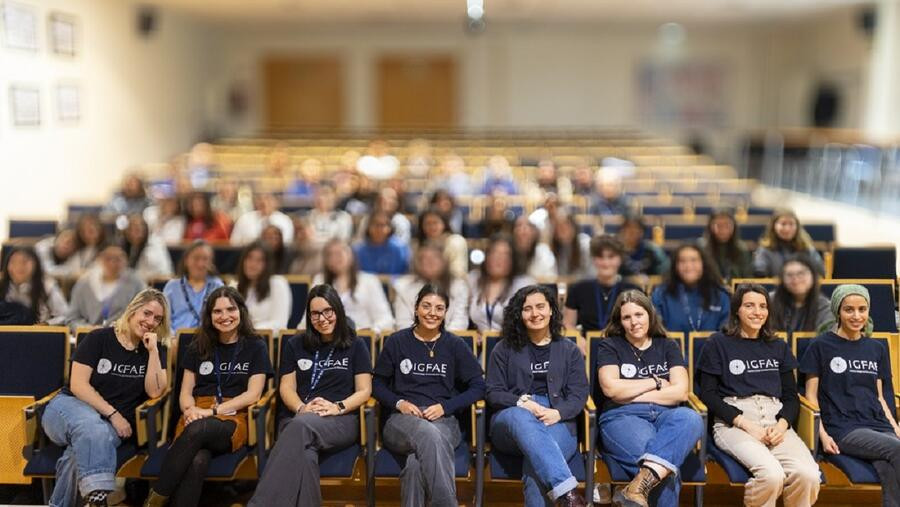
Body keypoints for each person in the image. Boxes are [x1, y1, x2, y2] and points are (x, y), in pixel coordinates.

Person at [144, 287, 272, 507]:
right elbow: (185, 393)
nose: (225, 317)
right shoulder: (198, 346)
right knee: (198, 460)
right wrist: (190, 410)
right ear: (209, 316)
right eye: (217, 311)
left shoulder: (255, 346)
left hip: (234, 416)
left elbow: (253, 394)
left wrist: (211, 412)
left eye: (230, 309)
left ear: (241, 311)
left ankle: (153, 500)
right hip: (195, 412)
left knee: (198, 429)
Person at [42, 289, 169, 507]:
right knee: (92, 427)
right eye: (146, 313)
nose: (151, 322)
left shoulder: (155, 350)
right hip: (69, 409)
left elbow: (155, 392)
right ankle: (99, 499)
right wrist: (113, 414)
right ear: (132, 310)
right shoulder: (99, 338)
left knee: (78, 453)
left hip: (108, 426)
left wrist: (154, 353)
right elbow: (78, 385)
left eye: (157, 318)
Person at [248, 285, 372, 507]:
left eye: (327, 311)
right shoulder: (295, 344)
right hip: (299, 417)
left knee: (299, 428)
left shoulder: (355, 344)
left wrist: (338, 407)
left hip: (340, 420)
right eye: (315, 314)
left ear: (338, 311)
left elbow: (365, 390)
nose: (322, 318)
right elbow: (286, 387)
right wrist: (301, 409)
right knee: (306, 454)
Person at [697, 284, 820, 507]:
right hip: (734, 421)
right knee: (771, 476)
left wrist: (782, 425)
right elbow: (707, 394)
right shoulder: (717, 343)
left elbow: (791, 396)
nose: (757, 312)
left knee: (809, 475)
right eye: (749, 306)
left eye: (763, 306)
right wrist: (746, 424)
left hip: (775, 420)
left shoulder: (777, 345)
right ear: (737, 310)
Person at [372, 284, 486, 507]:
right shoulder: (397, 342)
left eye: (439, 308)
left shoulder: (454, 345)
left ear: (445, 313)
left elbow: (479, 386)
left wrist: (446, 407)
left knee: (416, 464)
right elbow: (376, 384)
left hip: (443, 420)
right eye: (426, 306)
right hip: (401, 421)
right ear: (416, 309)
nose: (432, 313)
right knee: (427, 434)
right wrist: (400, 403)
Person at [596, 290, 703, 507]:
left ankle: (635, 489)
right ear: (620, 321)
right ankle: (635, 488)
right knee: (665, 473)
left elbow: (681, 392)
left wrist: (629, 392)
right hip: (621, 417)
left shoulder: (668, 345)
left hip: (666, 417)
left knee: (691, 418)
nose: (634, 322)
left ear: (650, 315)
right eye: (627, 317)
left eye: (639, 314)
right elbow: (611, 390)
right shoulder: (610, 346)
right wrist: (655, 382)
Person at [485, 284, 589, 507]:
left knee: (535, 469)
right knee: (520, 417)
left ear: (551, 309)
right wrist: (522, 403)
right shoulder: (503, 349)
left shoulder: (569, 349)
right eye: (527, 309)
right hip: (511, 421)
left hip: (557, 419)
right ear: (519, 315)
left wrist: (558, 413)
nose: (535, 314)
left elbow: (579, 393)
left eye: (541, 306)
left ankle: (568, 498)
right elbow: (493, 392)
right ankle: (569, 493)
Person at [801, 285, 900, 506]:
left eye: (862, 309)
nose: (856, 316)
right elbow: (811, 398)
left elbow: (880, 396)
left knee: (887, 466)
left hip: (878, 425)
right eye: (849, 310)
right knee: (896, 450)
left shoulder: (876, 348)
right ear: (838, 311)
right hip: (843, 428)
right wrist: (822, 436)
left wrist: (895, 427)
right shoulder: (820, 346)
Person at [563, 235, 642, 345]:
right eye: (600, 257)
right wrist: (578, 339)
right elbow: (568, 323)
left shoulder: (633, 290)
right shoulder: (578, 289)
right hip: (587, 350)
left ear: (620, 259)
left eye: (611, 257)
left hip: (624, 348)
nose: (605, 262)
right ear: (594, 259)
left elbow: (641, 325)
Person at [303, 239, 394, 333]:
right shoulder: (319, 280)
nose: (334, 258)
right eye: (329, 255)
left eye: (338, 253)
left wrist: (374, 330)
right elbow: (307, 319)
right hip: (326, 339)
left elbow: (386, 319)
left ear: (351, 255)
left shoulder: (369, 281)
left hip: (361, 338)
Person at [651, 244, 730, 336]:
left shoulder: (720, 295)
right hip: (671, 350)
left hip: (714, 350)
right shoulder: (661, 295)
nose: (688, 266)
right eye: (682, 261)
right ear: (675, 266)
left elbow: (726, 334)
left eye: (694, 260)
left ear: (704, 264)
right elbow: (656, 333)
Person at [65, 244, 146, 329]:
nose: (113, 263)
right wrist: (87, 329)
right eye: (108, 258)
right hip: (88, 335)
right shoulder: (84, 284)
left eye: (118, 259)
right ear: (99, 259)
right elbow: (72, 318)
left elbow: (143, 315)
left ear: (126, 260)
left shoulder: (136, 284)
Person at [393, 243, 469, 330]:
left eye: (435, 257)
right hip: (413, 340)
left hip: (450, 340)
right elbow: (403, 323)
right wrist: (420, 338)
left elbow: (460, 321)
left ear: (444, 261)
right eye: (424, 258)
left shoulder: (458, 286)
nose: (430, 262)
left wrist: (442, 340)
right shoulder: (403, 287)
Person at [469, 235, 536, 332]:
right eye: (494, 253)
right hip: (479, 345)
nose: (498, 259)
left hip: (513, 344)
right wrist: (474, 332)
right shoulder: (473, 280)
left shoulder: (524, 284)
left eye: (505, 255)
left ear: (512, 260)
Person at [162, 241, 224, 333]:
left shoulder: (217, 285)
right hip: (176, 338)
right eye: (196, 258)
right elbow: (164, 319)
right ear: (186, 260)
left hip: (208, 339)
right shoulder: (172, 286)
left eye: (205, 259)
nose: (200, 264)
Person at [0, 245, 68, 325]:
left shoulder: (47, 286)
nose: (18, 266)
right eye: (13, 262)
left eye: (24, 262)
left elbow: (65, 316)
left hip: (37, 334)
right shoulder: (2, 285)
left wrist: (46, 324)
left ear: (35, 264)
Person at [232, 241, 291, 330]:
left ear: (267, 265)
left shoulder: (278, 284)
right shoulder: (234, 286)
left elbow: (280, 324)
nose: (253, 264)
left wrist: (249, 329)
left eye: (259, 260)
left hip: (267, 341)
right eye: (249, 258)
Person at [769, 255, 831, 333]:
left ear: (813, 276)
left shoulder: (824, 306)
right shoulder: (770, 301)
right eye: (789, 275)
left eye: (801, 273)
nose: (795, 278)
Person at [753, 209, 824, 277]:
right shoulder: (765, 251)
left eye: (791, 224)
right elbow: (759, 273)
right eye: (783, 224)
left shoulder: (807, 249)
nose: (787, 228)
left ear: (797, 227)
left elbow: (820, 273)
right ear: (773, 226)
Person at [697, 208, 753, 282]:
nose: (723, 230)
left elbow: (747, 277)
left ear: (734, 226)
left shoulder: (741, 248)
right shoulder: (701, 247)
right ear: (710, 226)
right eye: (719, 225)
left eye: (727, 225)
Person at [415, 208, 468, 279]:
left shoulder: (455, 241)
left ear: (444, 224)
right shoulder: (418, 244)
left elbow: (458, 271)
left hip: (451, 283)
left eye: (435, 223)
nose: (432, 227)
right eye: (428, 224)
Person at [354, 210, 410, 276]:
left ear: (390, 228)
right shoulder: (359, 250)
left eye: (383, 225)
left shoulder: (400, 249)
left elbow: (404, 274)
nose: (379, 229)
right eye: (375, 224)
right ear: (368, 227)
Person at [120, 215, 174, 281]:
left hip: (155, 285)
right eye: (130, 229)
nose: (133, 233)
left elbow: (164, 274)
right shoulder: (128, 247)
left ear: (145, 230)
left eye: (137, 229)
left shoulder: (154, 246)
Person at [230, 192, 294, 246]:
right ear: (256, 202)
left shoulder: (285, 221)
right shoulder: (244, 219)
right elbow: (234, 243)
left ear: (276, 203)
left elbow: (286, 244)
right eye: (260, 199)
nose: (264, 202)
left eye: (268, 199)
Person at [548, 213, 594, 279]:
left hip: (584, 285)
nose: (561, 230)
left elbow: (590, 274)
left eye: (565, 226)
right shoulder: (557, 247)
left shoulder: (585, 244)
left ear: (574, 227)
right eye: (558, 227)